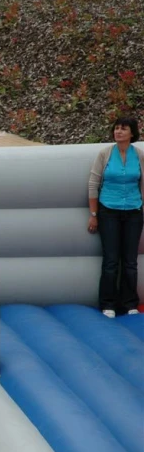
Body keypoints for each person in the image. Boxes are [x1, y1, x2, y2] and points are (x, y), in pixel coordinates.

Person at [87, 116, 143, 318]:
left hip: (134, 212)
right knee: (111, 260)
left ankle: (129, 304)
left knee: (130, 261)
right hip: (108, 211)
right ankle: (108, 303)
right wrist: (94, 214)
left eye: (123, 128)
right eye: (116, 128)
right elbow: (93, 184)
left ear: (132, 133)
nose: (118, 132)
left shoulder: (139, 155)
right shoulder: (105, 154)